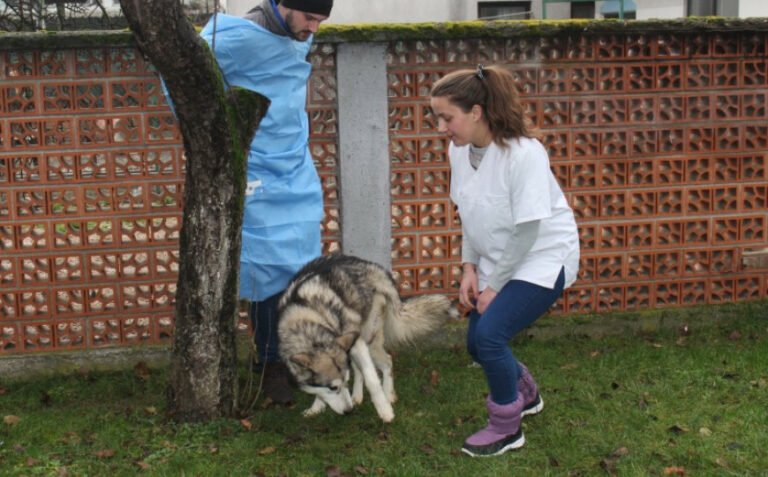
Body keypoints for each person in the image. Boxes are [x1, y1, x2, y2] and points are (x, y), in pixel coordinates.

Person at [430, 65, 580, 457]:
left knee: (491, 336)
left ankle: (506, 428)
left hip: (543, 258)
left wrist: (494, 287)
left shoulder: (524, 154)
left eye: (448, 117)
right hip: (499, 260)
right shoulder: (459, 151)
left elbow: (528, 231)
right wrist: (469, 268)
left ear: (476, 112)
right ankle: (525, 394)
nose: (442, 127)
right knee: (477, 345)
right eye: (438, 118)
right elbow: (468, 212)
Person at [198, 0, 333, 404]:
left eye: (321, 21)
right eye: (309, 17)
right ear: (283, 4)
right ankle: (269, 366)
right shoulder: (238, 37)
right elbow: (187, 85)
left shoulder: (295, 35)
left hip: (293, 164)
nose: (313, 28)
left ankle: (294, 357)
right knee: (265, 271)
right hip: (254, 167)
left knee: (300, 268)